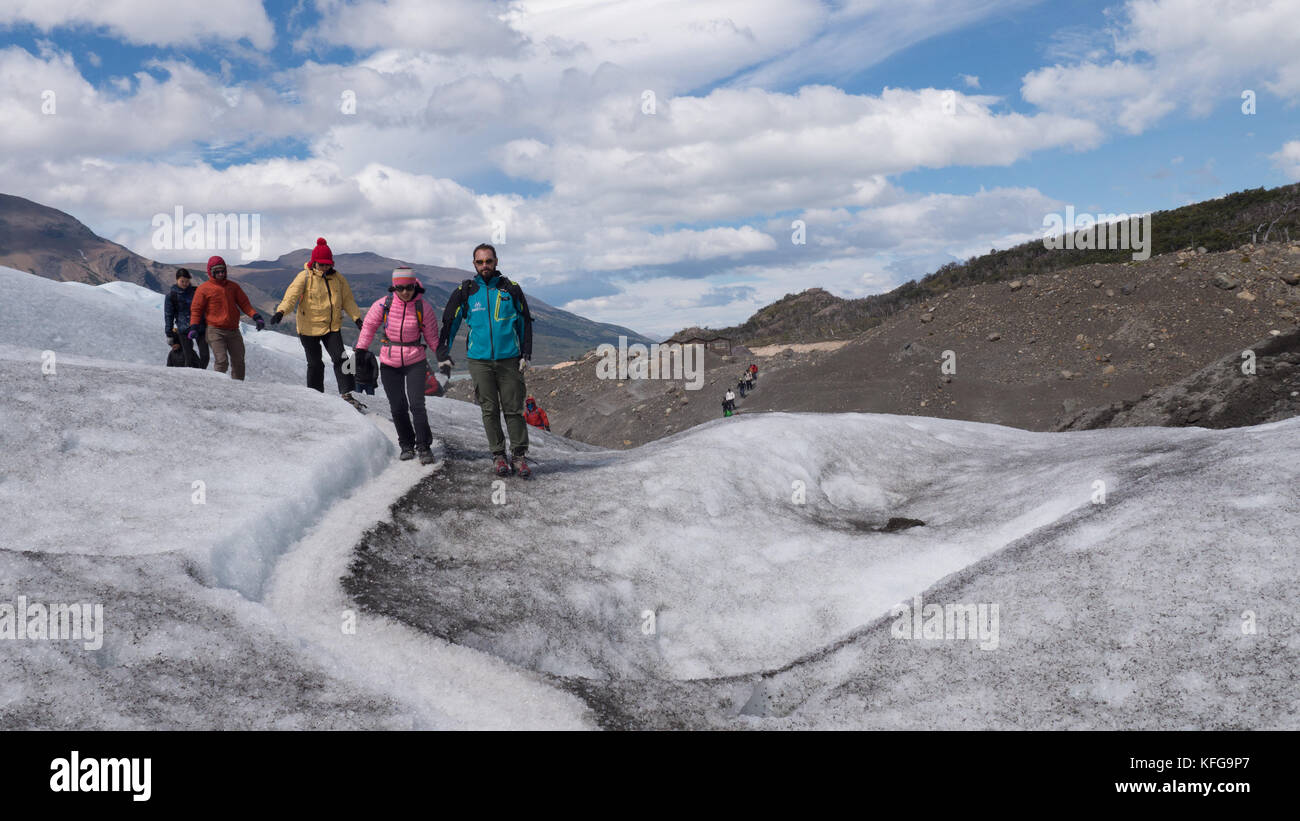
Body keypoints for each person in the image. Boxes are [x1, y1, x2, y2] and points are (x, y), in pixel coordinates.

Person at [436, 243, 535, 479]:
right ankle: (498, 455)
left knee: (513, 409)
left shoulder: (510, 288)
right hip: (479, 361)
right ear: (474, 264)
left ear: (496, 262)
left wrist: (526, 354)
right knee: (489, 410)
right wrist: (443, 353)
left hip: (509, 359)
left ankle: (519, 456)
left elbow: (524, 322)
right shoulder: (466, 290)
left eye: (488, 261)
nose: (484, 266)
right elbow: (450, 322)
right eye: (480, 262)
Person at [355, 267, 439, 464]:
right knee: (398, 406)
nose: (405, 292)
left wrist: (442, 356)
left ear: (414, 285)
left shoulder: (422, 307)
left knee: (417, 405)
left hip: (415, 361)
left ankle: (424, 447)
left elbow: (432, 336)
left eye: (409, 287)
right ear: (394, 287)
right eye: (400, 288)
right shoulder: (384, 304)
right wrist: (360, 350)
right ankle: (406, 445)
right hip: (389, 361)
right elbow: (368, 327)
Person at [271, 237, 366, 411]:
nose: (325, 267)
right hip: (308, 328)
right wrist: (281, 311)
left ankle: (347, 394)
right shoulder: (304, 277)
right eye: (321, 264)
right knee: (315, 364)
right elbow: (291, 296)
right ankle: (316, 397)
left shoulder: (338, 279)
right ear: (314, 262)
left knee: (343, 359)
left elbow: (348, 300)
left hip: (331, 327)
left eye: (327, 264)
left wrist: (357, 318)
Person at [189, 255, 264, 380]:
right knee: (222, 361)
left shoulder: (233, 287)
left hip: (233, 330)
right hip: (215, 330)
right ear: (210, 272)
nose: (220, 273)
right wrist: (194, 327)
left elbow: (245, 304)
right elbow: (196, 310)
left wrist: (256, 317)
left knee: (239, 361)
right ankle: (218, 389)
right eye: (217, 271)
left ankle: (238, 388)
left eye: (223, 270)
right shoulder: (203, 289)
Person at [165, 268, 208, 368]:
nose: (185, 283)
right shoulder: (172, 296)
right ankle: (190, 378)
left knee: (205, 355)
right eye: (182, 281)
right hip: (183, 329)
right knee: (188, 357)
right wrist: (169, 333)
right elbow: (168, 315)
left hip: (200, 327)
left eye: (187, 281)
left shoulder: (196, 291)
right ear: (177, 280)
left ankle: (202, 375)